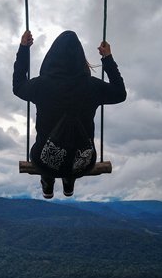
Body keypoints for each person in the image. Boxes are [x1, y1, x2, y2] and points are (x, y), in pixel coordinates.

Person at [13, 30, 126, 198]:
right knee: (72, 153)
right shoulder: (92, 87)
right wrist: (107, 59)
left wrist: (23, 49)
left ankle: (48, 183)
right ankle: (69, 181)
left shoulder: (41, 86)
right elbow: (120, 94)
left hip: (44, 161)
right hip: (83, 162)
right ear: (80, 60)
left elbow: (18, 85)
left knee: (47, 151)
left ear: (50, 59)